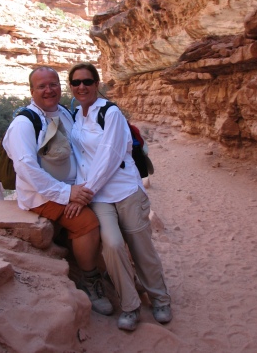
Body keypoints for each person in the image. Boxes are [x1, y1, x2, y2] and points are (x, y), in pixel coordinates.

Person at [0, 66, 113, 316]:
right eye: (42, 86)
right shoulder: (24, 123)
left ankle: (107, 268)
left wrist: (82, 188)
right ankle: (90, 280)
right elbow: (27, 169)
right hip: (40, 195)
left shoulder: (65, 114)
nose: (49, 90)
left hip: (72, 186)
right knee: (87, 223)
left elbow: (78, 153)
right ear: (32, 91)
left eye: (53, 84)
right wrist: (66, 194)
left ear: (60, 86)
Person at [68, 62, 172, 331]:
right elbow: (80, 156)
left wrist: (84, 191)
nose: (82, 87)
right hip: (99, 197)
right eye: (76, 82)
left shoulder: (110, 112)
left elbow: (109, 155)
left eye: (87, 82)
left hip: (124, 191)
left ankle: (160, 299)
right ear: (71, 86)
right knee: (112, 245)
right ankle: (130, 305)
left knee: (141, 248)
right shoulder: (76, 114)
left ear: (97, 84)